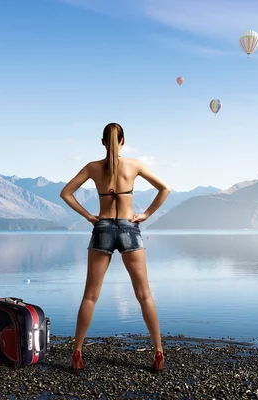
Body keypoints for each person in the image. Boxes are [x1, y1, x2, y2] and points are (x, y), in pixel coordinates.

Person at [60, 122, 171, 373]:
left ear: (102, 142)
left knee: (90, 296)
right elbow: (165, 189)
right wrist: (146, 214)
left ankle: (77, 352)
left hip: (103, 229)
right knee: (144, 296)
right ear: (122, 141)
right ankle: (158, 352)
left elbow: (66, 193)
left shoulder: (92, 167)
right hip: (129, 229)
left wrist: (89, 216)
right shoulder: (134, 165)